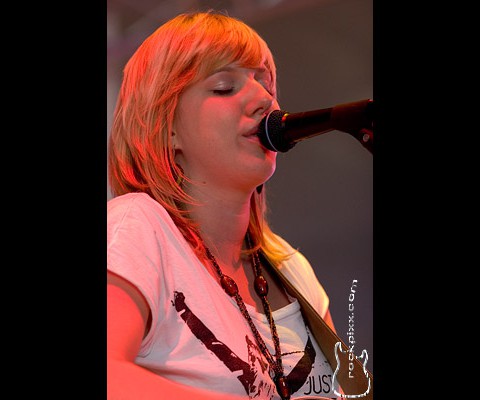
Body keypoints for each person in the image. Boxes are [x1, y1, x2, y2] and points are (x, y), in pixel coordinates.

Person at [107, 10, 340, 400]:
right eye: (224, 87)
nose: (264, 100)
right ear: (168, 128)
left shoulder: (290, 270)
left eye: (265, 84)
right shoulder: (138, 228)